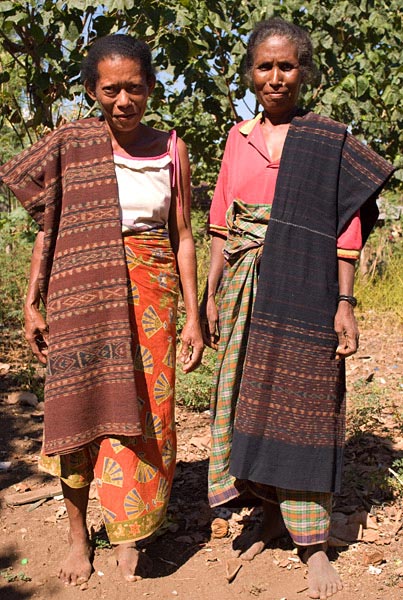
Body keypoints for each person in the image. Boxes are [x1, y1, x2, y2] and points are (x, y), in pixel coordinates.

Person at [201, 17, 394, 600]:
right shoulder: (239, 138)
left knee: (305, 402)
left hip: (308, 288)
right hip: (243, 285)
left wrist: (345, 302)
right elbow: (219, 224)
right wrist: (208, 297)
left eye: (288, 66)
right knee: (245, 399)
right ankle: (264, 511)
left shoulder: (329, 139)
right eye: (265, 66)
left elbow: (347, 229)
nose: (276, 77)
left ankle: (312, 544)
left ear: (304, 72)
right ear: (251, 73)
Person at [0, 34, 203, 585]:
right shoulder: (71, 144)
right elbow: (48, 228)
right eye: (110, 89)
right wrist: (31, 299)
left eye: (134, 88)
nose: (123, 100)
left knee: (146, 414)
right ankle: (76, 538)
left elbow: (182, 235)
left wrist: (194, 315)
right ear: (92, 90)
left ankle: (130, 533)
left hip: (152, 294)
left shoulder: (171, 149)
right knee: (78, 411)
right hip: (81, 293)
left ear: (151, 87)